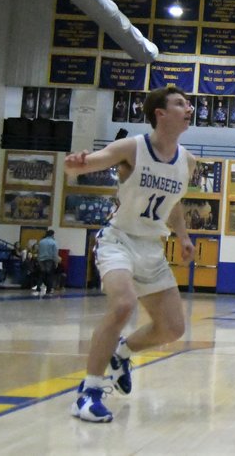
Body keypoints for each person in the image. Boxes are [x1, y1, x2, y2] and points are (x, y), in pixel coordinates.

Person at [64, 85, 196, 423]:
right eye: (180, 103)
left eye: (189, 103)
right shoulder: (132, 148)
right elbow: (86, 164)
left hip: (152, 246)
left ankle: (121, 354)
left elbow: (175, 203)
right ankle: (89, 392)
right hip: (118, 239)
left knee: (173, 328)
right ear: (160, 113)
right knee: (123, 305)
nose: (189, 107)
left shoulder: (188, 161)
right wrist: (77, 163)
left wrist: (182, 237)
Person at [37, 229, 59, 298]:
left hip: (41, 259)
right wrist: (56, 261)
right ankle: (49, 289)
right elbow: (55, 253)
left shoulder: (41, 241)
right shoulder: (53, 242)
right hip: (49, 260)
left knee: (42, 274)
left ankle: (38, 286)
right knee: (49, 275)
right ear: (52, 234)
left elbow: (38, 251)